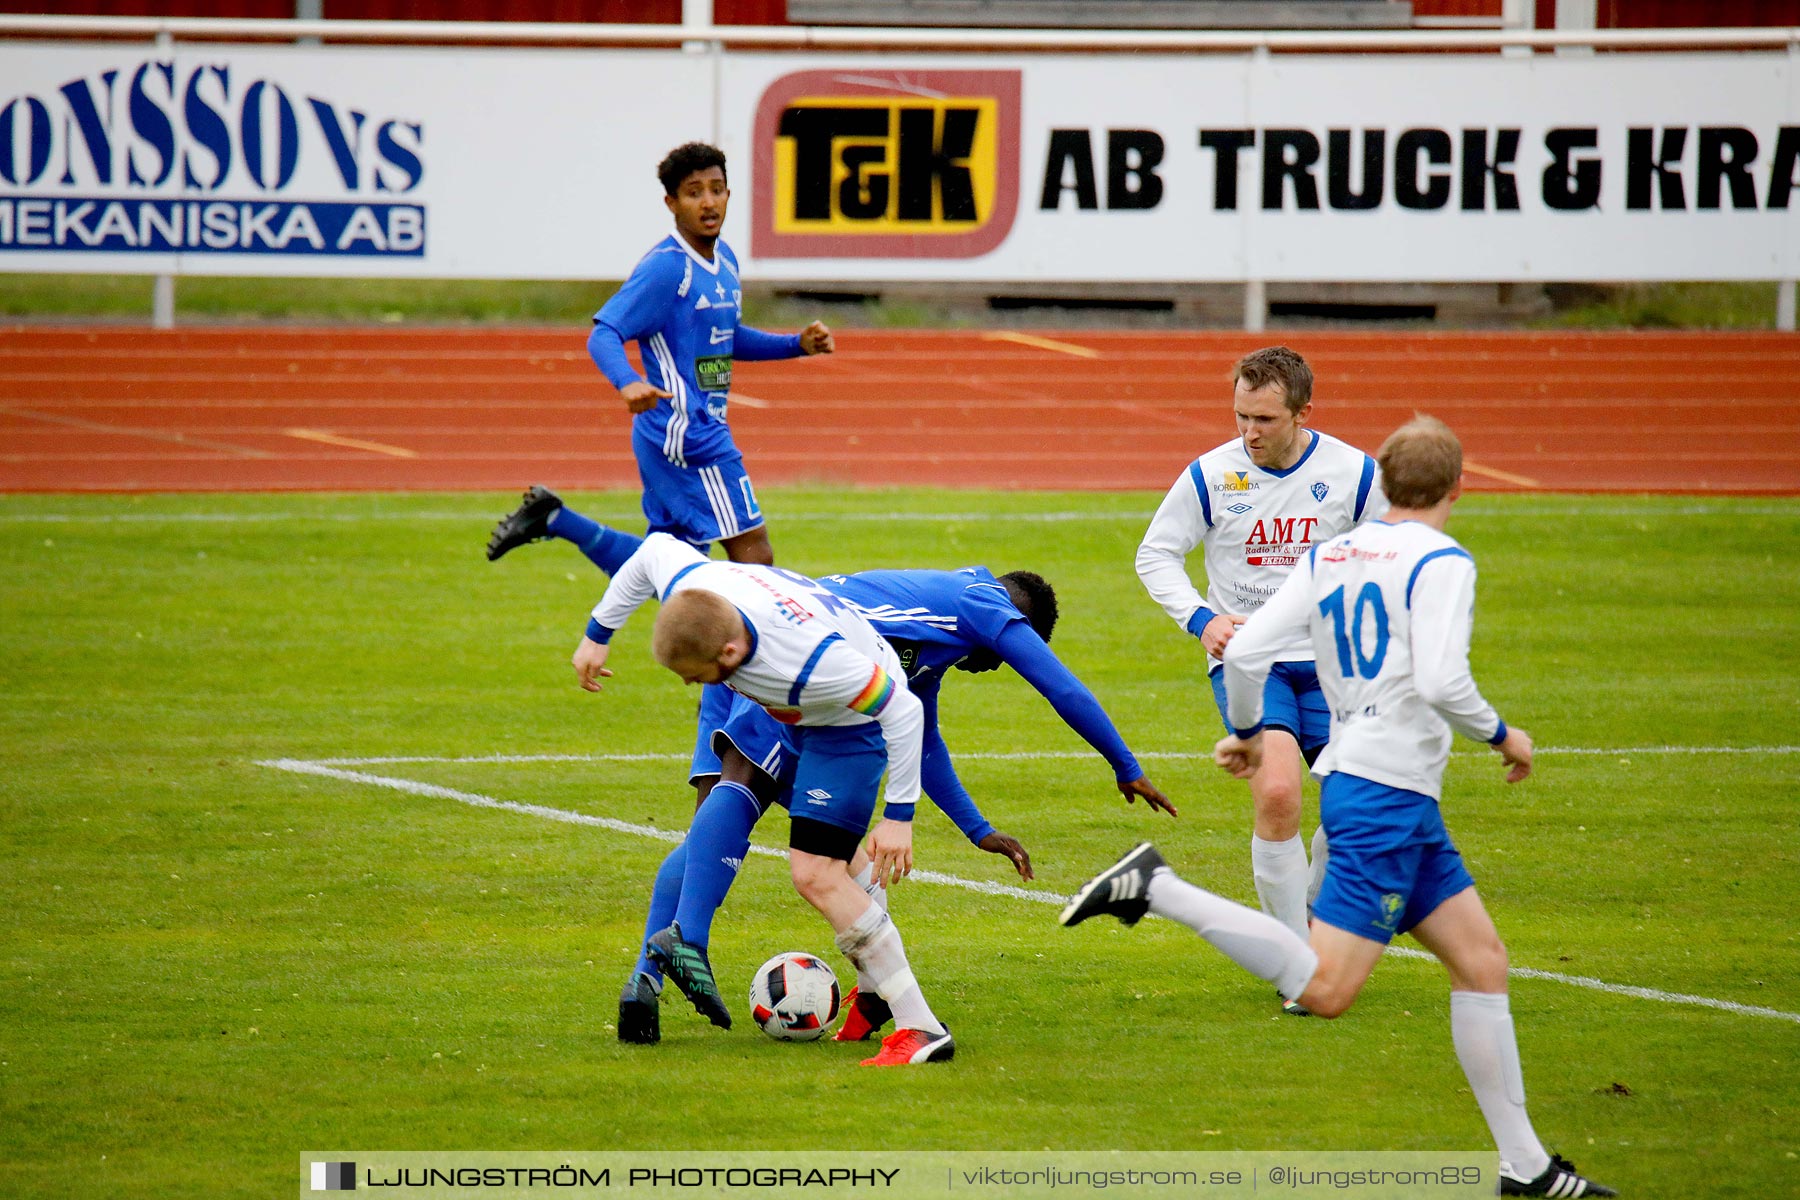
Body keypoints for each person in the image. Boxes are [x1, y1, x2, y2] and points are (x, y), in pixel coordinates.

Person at [1063, 416, 1614, 1198]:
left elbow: (1246, 651)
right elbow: (1441, 682)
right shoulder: (1444, 560)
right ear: (1460, 488)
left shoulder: (1333, 553)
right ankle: (1158, 889)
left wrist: (1248, 731)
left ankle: (1524, 1165)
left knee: (1482, 963)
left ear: (1382, 484)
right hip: (1384, 790)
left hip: (1391, 792)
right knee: (1324, 991)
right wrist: (1503, 734)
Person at [611, 549, 1177, 1045]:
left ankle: (653, 980)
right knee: (796, 852)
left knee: (787, 846)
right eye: (1006, 649)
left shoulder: (928, 643)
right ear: (1015, 621)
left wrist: (978, 830)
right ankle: (895, 1009)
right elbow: (1060, 685)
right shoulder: (985, 605)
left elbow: (923, 742)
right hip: (784, 671)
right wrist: (1125, 766)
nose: (993, 665)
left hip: (785, 673)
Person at [573, 532, 956, 1067]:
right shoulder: (697, 585)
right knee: (745, 778)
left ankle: (921, 1026)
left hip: (846, 723)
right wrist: (598, 633)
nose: (690, 685)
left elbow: (903, 712)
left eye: (695, 676)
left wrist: (899, 817)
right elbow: (653, 551)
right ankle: (687, 940)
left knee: (818, 873)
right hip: (782, 707)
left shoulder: (814, 665)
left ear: (728, 653)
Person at [1135, 345, 1386, 1012]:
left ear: (1305, 413)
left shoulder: (1356, 474)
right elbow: (1156, 553)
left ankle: (1307, 916)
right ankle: (1298, 968)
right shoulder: (1210, 475)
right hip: (1252, 663)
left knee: (1352, 810)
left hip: (1337, 666)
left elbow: (1392, 555)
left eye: (1265, 419)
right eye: (1241, 415)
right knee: (1277, 794)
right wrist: (1200, 619)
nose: (1249, 432)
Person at [486, 140, 833, 567]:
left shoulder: (723, 259)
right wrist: (628, 381)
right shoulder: (667, 267)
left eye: (717, 189)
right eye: (694, 192)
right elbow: (605, 333)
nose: (708, 202)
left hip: (667, 434)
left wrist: (794, 345)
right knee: (755, 562)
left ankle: (556, 519)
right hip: (689, 433)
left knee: (670, 571)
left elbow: (724, 336)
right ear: (671, 203)